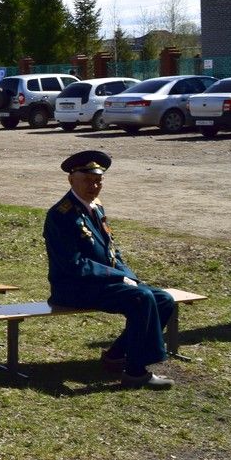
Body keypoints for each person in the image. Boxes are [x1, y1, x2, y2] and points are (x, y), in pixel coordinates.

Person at [45, 151, 176, 388]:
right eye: (87, 180)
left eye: (98, 181)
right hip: (72, 287)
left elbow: (112, 251)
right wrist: (120, 277)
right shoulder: (60, 215)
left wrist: (130, 277)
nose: (93, 186)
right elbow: (73, 265)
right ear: (71, 180)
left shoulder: (96, 207)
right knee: (141, 298)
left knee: (164, 299)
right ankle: (136, 373)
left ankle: (116, 356)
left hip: (101, 284)